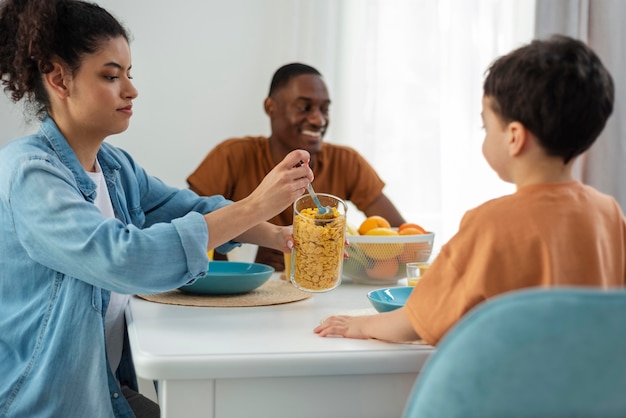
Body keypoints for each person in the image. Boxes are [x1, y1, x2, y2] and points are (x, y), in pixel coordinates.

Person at [0, 1, 313, 417]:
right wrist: (258, 203)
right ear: (59, 78)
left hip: (103, 388)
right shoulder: (29, 175)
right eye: (111, 76)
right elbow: (126, 257)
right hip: (49, 401)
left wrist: (277, 234)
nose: (131, 90)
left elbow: (190, 207)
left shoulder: (115, 167)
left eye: (129, 75)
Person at [315, 35, 626, 346]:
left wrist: (359, 325)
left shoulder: (490, 223)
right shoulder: (609, 213)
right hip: (598, 390)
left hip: (517, 390)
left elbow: (416, 321)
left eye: (486, 126)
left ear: (514, 137)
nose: (484, 135)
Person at [187, 63, 405, 271]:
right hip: (228, 298)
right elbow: (184, 230)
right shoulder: (231, 156)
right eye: (305, 107)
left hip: (312, 295)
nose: (319, 120)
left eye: (324, 109)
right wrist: (254, 247)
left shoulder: (346, 162)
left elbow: (399, 238)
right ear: (270, 107)